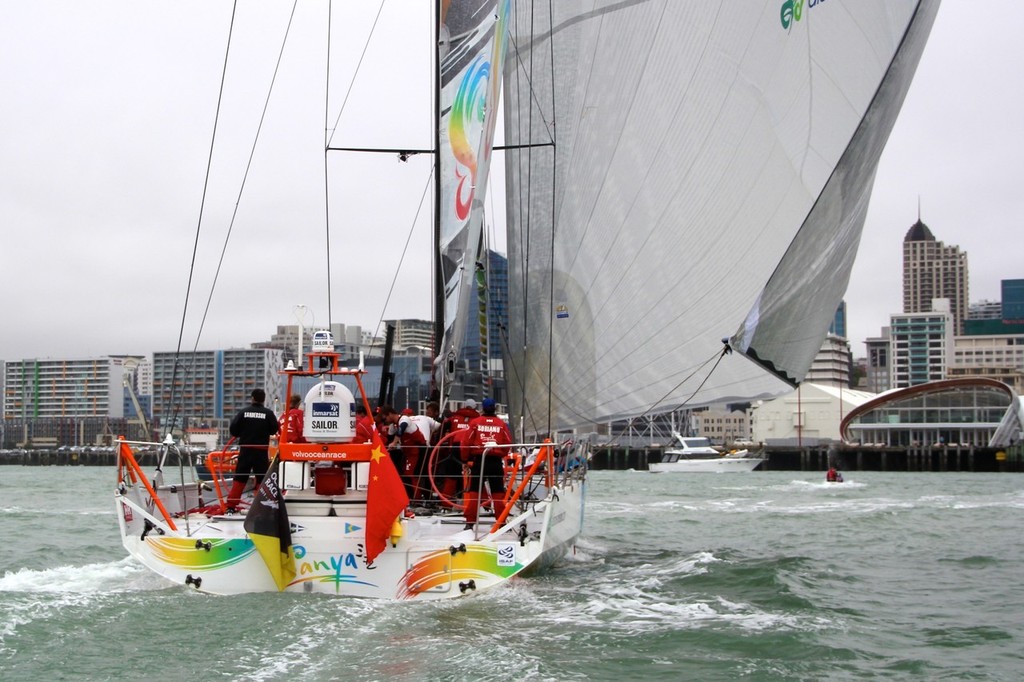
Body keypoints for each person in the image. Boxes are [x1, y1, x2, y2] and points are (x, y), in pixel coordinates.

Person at [461, 398, 512, 529]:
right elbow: (508, 443)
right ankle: (501, 522)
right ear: (494, 408)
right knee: (498, 492)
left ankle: (470, 522)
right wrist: (501, 454)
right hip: (495, 462)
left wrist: (465, 460)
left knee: (474, 492)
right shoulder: (501, 424)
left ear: (482, 408)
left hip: (480, 460)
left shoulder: (475, 422)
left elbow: (466, 443)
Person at [226, 388, 280, 510]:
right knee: (262, 478)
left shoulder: (243, 412)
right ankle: (262, 505)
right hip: (261, 451)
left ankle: (231, 506)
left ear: (252, 398)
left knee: (240, 478)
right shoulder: (268, 414)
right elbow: (273, 430)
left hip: (245, 450)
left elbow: (233, 430)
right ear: (263, 399)